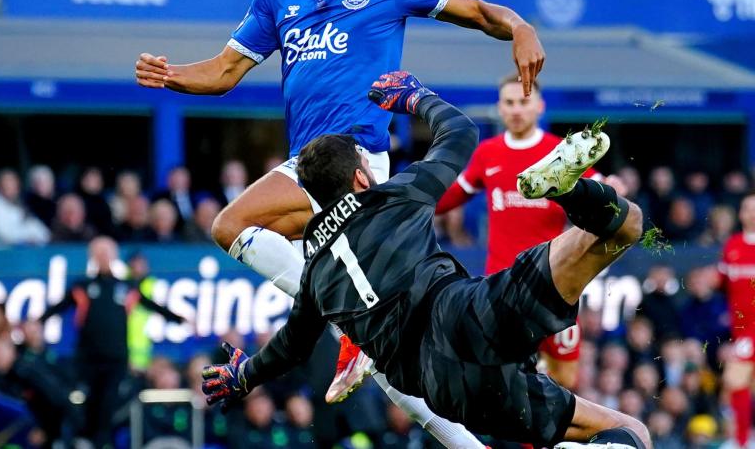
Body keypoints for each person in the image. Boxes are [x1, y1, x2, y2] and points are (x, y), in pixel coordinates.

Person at [136, 0, 544, 445]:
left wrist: (521, 28)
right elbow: (225, 71)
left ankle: (341, 310)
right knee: (397, 369)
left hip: (355, 165)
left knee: (230, 223)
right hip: (309, 166)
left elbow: (477, 11)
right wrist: (172, 74)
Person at [200, 72, 649, 449]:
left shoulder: (315, 276)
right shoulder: (395, 196)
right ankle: (569, 191)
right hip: (471, 317)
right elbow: (461, 133)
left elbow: (290, 348)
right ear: (362, 175)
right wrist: (416, 97)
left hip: (444, 390)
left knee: (617, 433)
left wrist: (243, 377)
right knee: (626, 225)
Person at [433, 73, 617, 389]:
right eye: (509, 102)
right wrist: (410, 200)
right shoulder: (487, 153)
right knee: (501, 383)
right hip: (502, 289)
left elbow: (607, 190)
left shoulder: (561, 152)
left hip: (554, 287)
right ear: (500, 108)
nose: (516, 109)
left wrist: (614, 188)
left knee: (565, 380)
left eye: (523, 102)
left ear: (539, 106)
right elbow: (447, 199)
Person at [41, 236, 183, 448]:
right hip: (87, 359)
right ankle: (83, 440)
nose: (103, 258)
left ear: (115, 256)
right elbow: (59, 307)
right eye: (99, 253)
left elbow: (153, 306)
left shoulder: (126, 287)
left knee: (108, 407)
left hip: (116, 359)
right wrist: (36, 321)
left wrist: (180, 319)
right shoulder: (82, 287)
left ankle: (101, 442)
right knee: (85, 405)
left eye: (107, 253)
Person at [717, 192, 755, 449]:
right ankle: (742, 440)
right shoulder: (732, 245)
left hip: (752, 333)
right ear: (740, 214)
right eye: (747, 208)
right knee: (738, 386)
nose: (751, 213)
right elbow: (722, 284)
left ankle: (741, 442)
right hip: (740, 331)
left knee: (735, 381)